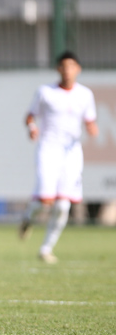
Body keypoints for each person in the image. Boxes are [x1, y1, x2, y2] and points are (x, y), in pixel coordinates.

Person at [18, 51, 98, 264]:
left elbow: (90, 120)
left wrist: (92, 128)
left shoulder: (85, 95)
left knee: (63, 206)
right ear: (58, 69)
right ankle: (28, 218)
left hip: (72, 153)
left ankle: (46, 248)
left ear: (78, 69)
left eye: (72, 66)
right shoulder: (46, 92)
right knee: (46, 200)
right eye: (64, 66)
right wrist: (32, 127)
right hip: (48, 149)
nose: (68, 70)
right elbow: (29, 115)